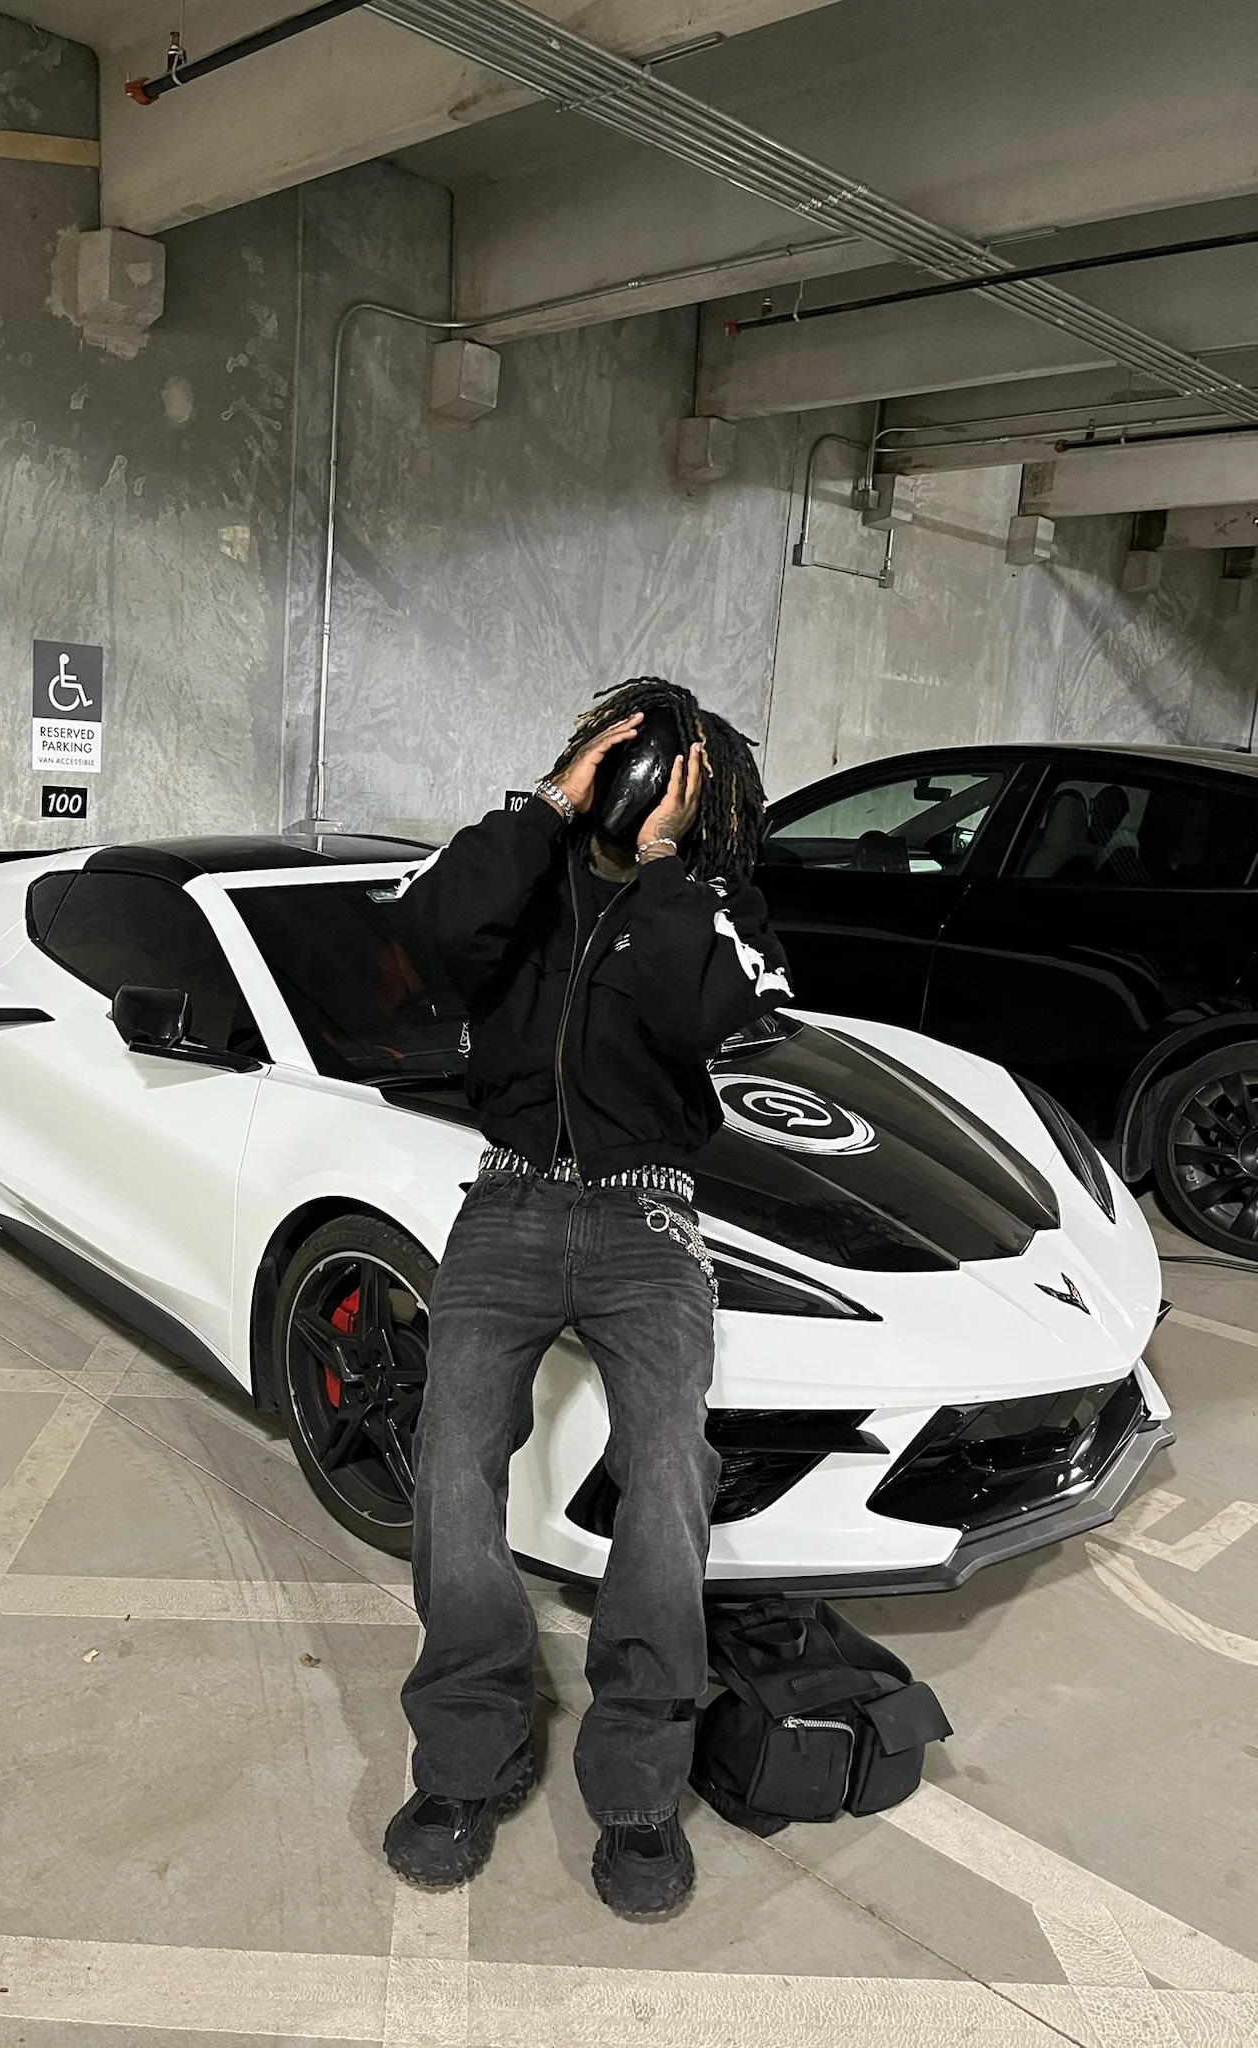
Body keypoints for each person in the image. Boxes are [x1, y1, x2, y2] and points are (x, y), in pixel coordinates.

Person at [384, 675, 793, 1917]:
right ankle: (467, 1755)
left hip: (647, 1213)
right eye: (621, 753)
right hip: (505, 1201)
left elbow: (705, 1008)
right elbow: (427, 938)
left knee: (670, 1468)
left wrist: (670, 865)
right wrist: (552, 805)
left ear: (700, 793)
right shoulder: (519, 868)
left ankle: (636, 1786)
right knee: (453, 1460)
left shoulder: (716, 907)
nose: (636, 776)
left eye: (667, 766)